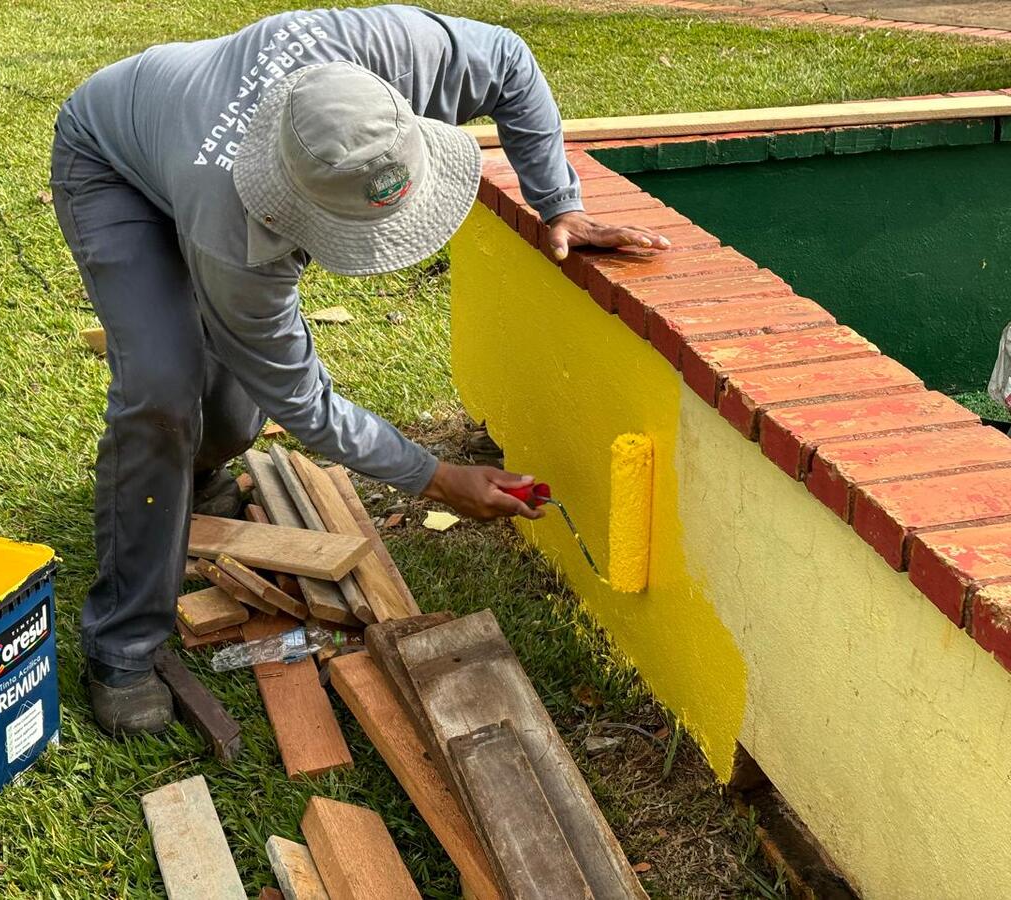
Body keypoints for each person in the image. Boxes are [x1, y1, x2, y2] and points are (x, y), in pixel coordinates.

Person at [50, 5, 671, 736]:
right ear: (288, 198)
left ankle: (195, 476)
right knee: (162, 387)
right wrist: (434, 478)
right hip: (113, 165)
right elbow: (300, 396)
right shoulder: (233, 229)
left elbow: (509, 62)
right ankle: (122, 645)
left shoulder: (392, 49)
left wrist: (557, 199)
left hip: (181, 118)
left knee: (231, 404)